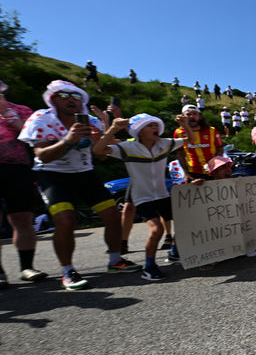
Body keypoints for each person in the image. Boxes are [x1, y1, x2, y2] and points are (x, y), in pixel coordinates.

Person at [18, 80, 142, 290]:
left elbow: (101, 157)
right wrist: (68, 140)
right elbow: (42, 156)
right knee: (66, 220)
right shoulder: (41, 118)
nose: (71, 100)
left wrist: (101, 138)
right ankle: (67, 271)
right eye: (64, 96)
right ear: (53, 99)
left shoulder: (90, 120)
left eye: (75, 96)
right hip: (52, 175)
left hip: (84, 173)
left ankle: (115, 261)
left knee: (112, 215)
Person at [93, 113, 195, 280]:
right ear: (139, 131)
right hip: (142, 198)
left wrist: (185, 125)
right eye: (150, 126)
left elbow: (191, 140)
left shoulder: (164, 143)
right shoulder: (128, 147)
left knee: (186, 221)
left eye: (156, 125)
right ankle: (149, 266)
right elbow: (97, 150)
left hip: (162, 195)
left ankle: (174, 252)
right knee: (157, 230)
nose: (155, 128)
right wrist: (113, 128)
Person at [0, 80, 47, 287]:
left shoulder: (22, 110)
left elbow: (34, 139)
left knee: (22, 219)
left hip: (18, 168)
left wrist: (10, 117)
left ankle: (27, 267)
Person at [174, 104, 224, 181]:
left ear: (200, 116)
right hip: (193, 173)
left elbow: (220, 149)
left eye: (194, 114)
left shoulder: (212, 131)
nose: (191, 117)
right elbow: (180, 154)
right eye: (188, 114)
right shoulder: (179, 133)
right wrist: (185, 173)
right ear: (183, 117)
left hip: (213, 171)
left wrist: (214, 166)